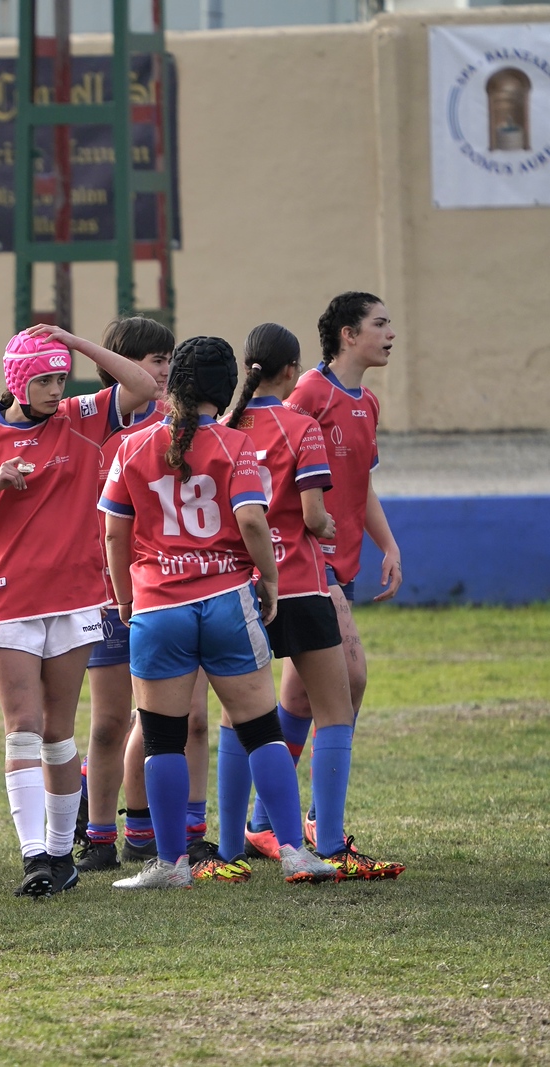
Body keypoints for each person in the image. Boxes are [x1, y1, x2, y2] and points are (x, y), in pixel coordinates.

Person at [98, 336, 339, 889]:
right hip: (227, 602)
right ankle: (295, 853)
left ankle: (170, 864)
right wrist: (270, 580)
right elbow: (252, 520)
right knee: (262, 731)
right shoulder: (235, 444)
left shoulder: (132, 446)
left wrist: (126, 598)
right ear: (225, 388)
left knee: (162, 738)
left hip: (159, 608)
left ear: (174, 386)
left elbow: (113, 531)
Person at [0, 326, 158, 898]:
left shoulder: (80, 417)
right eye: (44, 380)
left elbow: (142, 386)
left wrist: (73, 342)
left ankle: (61, 857)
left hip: (76, 598)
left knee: (59, 733)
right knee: (22, 727)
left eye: (61, 378)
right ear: (17, 382)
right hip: (6, 599)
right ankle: (33, 854)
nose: (56, 389)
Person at [222, 324, 404, 880]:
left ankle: (229, 847)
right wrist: (324, 528)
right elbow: (312, 514)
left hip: (236, 586)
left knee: (239, 719)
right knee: (336, 711)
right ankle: (328, 842)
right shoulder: (301, 424)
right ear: (290, 371)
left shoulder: (222, 430)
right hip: (298, 583)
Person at [66, 317, 177, 875]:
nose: (164, 370)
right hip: (102, 591)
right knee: (109, 721)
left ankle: (141, 831)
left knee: (156, 717)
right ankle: (98, 837)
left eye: (168, 359)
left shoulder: (172, 422)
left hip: (158, 588)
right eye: (155, 359)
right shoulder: (90, 420)